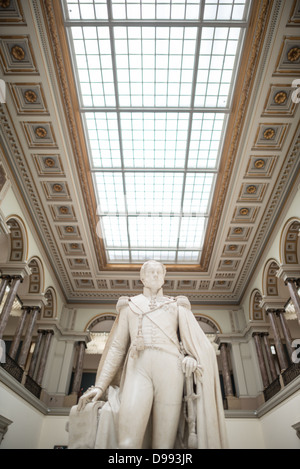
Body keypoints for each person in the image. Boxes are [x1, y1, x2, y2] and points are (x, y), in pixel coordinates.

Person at [75, 260, 227, 449]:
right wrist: (100, 385)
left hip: (171, 369)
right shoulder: (129, 306)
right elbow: (117, 348)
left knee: (164, 446)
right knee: (127, 443)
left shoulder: (176, 305)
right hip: (138, 367)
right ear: (142, 277)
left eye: (159, 272)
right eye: (151, 272)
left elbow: (193, 342)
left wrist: (191, 357)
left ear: (164, 278)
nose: (155, 275)